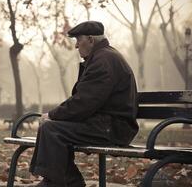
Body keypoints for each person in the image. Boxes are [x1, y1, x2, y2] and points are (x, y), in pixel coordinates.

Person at [29, 21, 139, 187]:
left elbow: (84, 102)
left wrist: (52, 115)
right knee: (51, 128)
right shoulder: (104, 56)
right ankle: (65, 180)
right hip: (106, 123)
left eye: (78, 40)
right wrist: (55, 116)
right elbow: (86, 100)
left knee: (51, 128)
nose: (76, 46)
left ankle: (60, 182)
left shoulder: (103, 60)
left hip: (112, 128)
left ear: (90, 39)